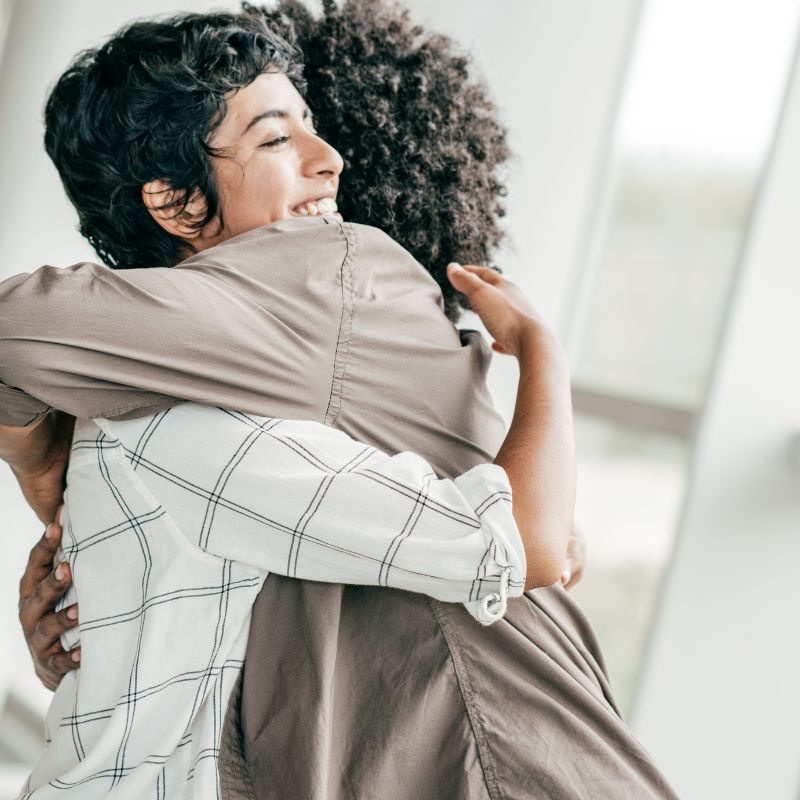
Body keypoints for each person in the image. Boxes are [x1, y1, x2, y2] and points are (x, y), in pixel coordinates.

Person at [2, 2, 678, 798]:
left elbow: (540, 544)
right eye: (278, 138)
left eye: (310, 125)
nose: (331, 161)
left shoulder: (330, 272)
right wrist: (92, 613)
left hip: (497, 755)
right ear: (178, 202)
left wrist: (40, 464)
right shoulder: (197, 379)